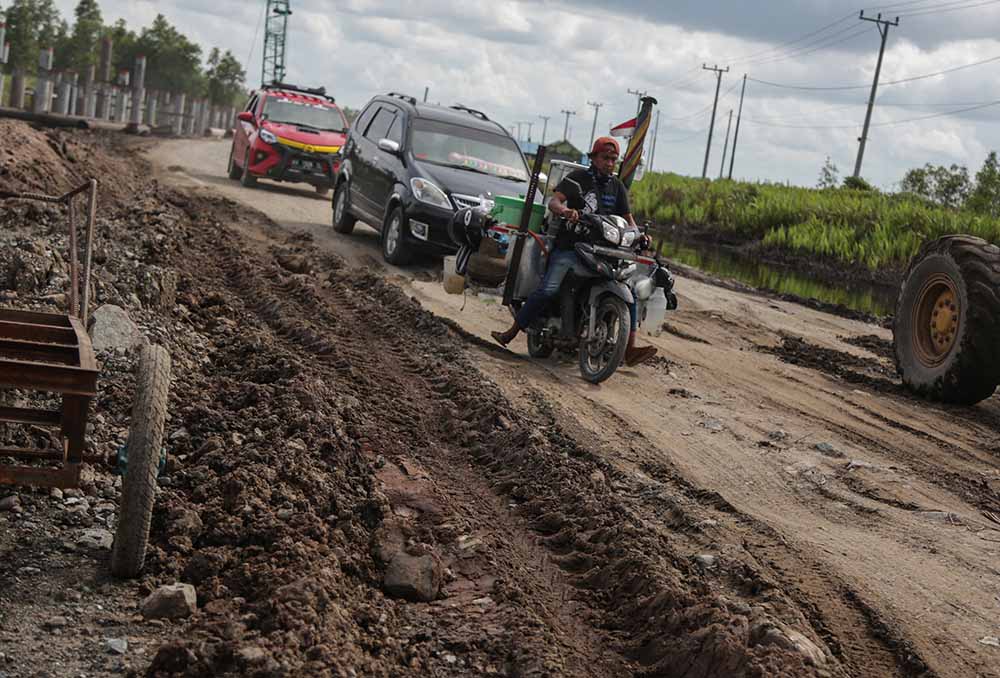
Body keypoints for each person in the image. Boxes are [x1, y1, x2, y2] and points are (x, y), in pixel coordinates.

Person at [491, 136, 658, 367]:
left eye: (613, 159)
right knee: (548, 289)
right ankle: (511, 332)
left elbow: (628, 220)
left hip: (606, 252)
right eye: (605, 158)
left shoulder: (617, 186)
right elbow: (554, 202)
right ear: (594, 158)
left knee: (630, 294)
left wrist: (640, 235)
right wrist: (565, 211)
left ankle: (629, 348)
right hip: (571, 248)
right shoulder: (577, 179)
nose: (610, 163)